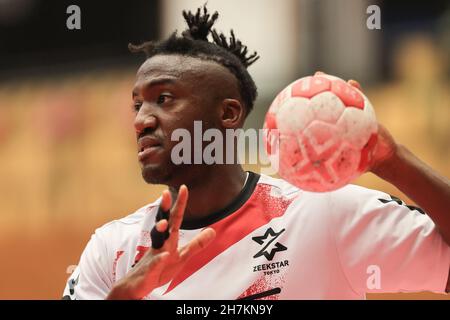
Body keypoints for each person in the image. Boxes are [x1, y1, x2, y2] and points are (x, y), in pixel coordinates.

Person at [63, 6, 450, 300]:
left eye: (163, 99)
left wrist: (391, 160)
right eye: (137, 106)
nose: (141, 121)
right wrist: (127, 292)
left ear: (229, 113)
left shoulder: (324, 213)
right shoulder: (113, 249)